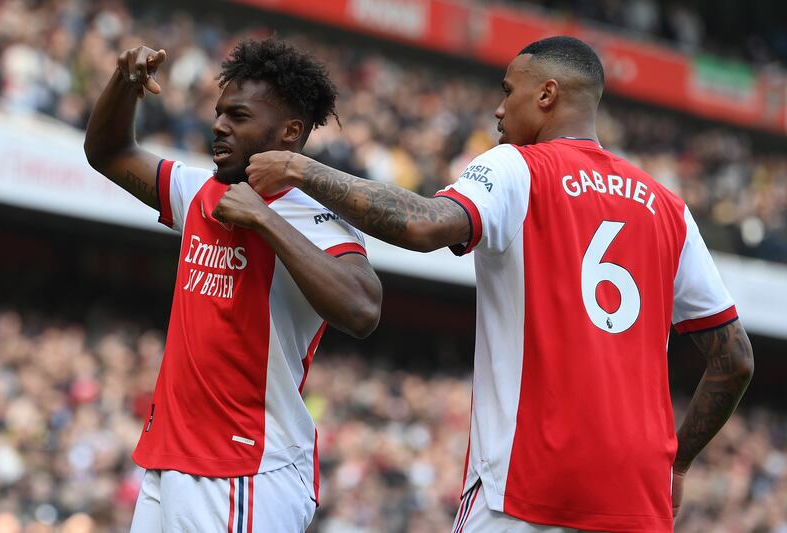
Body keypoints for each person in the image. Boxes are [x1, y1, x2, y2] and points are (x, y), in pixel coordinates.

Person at [241, 36, 754, 532]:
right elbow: (734, 362)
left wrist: (299, 167)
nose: (499, 110)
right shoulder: (669, 208)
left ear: (547, 95)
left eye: (509, 91)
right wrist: (678, 464)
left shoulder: (518, 166)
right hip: (635, 501)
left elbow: (423, 223)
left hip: (523, 490)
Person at [84, 38, 382, 532]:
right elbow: (108, 151)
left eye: (238, 116)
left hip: (246, 470)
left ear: (289, 132)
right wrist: (124, 83)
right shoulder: (201, 190)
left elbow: (363, 309)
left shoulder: (316, 218)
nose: (219, 125)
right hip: (170, 460)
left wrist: (264, 220)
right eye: (220, 112)